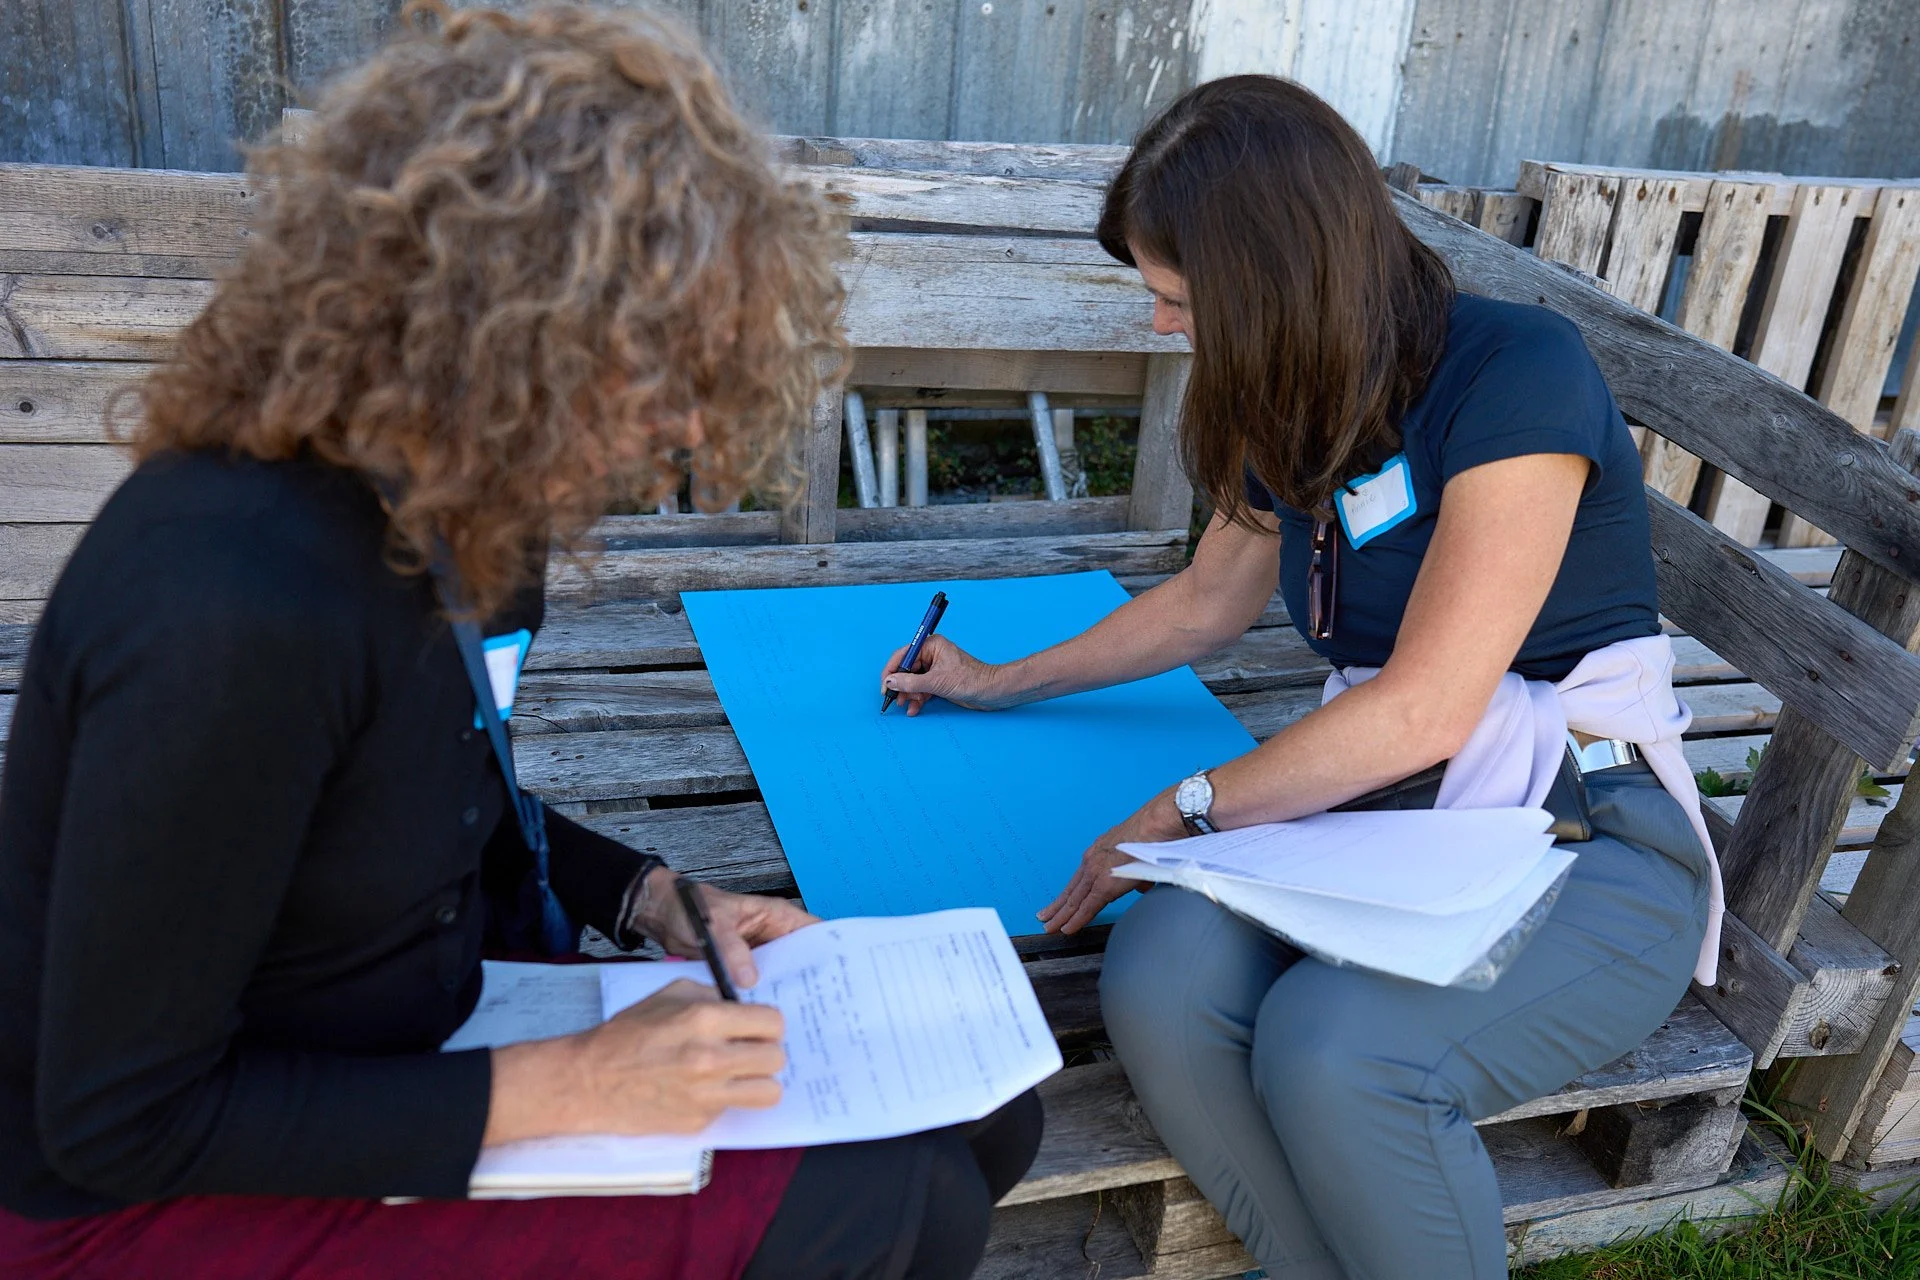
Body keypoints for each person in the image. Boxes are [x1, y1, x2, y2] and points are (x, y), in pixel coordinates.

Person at [0, 5, 1038, 1278]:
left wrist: (648, 894)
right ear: (504, 331)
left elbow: (426, 797)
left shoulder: (470, 515)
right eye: (650, 372)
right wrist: (572, 1085)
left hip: (411, 1026)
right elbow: (115, 1118)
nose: (674, 437)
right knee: (886, 1194)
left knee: (985, 1107)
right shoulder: (229, 601)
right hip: (141, 1198)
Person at [880, 76, 1721, 1280]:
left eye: (1178, 298)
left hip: (1584, 831)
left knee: (1336, 1050)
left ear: (1272, 280)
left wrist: (1184, 808)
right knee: (1162, 971)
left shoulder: (1516, 376)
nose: (1165, 327)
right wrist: (995, 680)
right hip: (1389, 822)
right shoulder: (1290, 399)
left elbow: (1429, 703)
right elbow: (1205, 602)